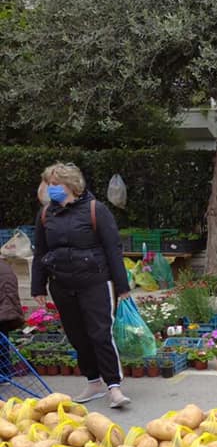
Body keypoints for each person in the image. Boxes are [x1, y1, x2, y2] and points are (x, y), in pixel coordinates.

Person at [30, 163, 131, 408]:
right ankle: (93, 381)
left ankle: (114, 387)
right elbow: (41, 252)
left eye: (55, 184)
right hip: (62, 285)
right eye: (49, 184)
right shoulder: (45, 215)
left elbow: (112, 249)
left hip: (95, 282)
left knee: (100, 334)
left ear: (72, 185)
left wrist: (122, 286)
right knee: (77, 336)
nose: (50, 189)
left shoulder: (96, 210)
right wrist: (38, 287)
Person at [0, 258, 24, 367]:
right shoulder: (4, 266)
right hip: (6, 312)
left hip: (4, 310)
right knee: (3, 346)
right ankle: (5, 373)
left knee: (2, 345)